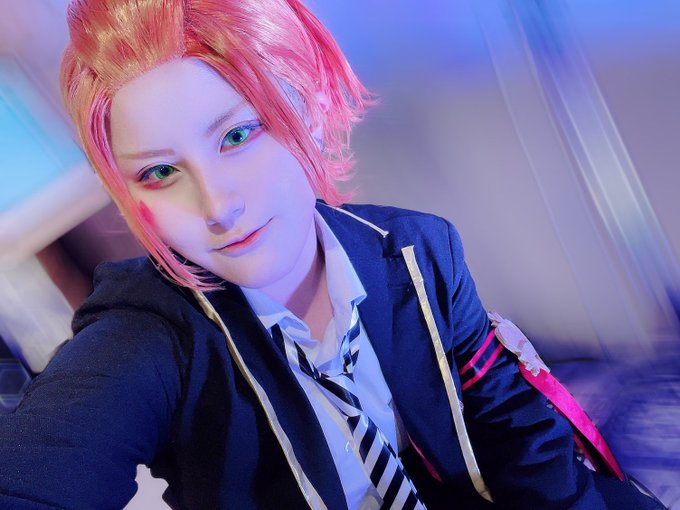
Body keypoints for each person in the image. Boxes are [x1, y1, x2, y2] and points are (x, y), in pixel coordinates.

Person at [0, 0, 667, 508]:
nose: (218, 205)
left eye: (237, 135)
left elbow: (507, 420)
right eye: (161, 173)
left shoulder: (417, 249)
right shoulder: (146, 333)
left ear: (308, 107)